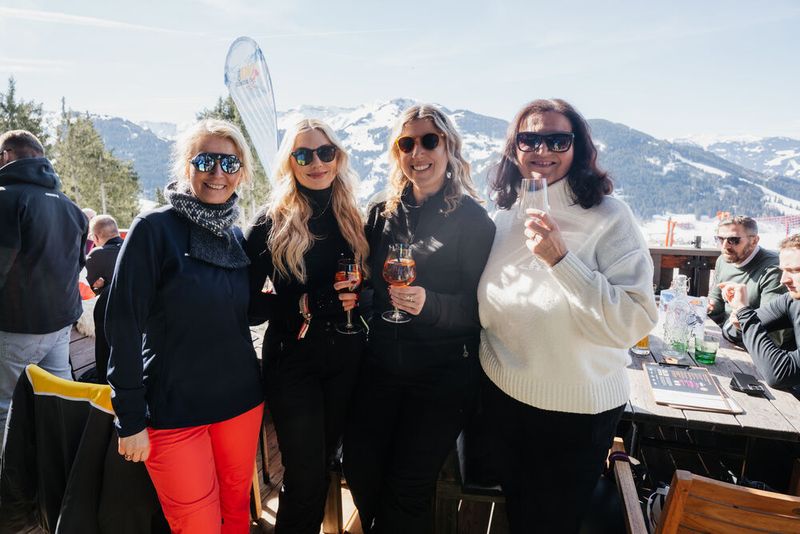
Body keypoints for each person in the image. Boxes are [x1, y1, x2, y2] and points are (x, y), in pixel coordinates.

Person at [477, 99, 658, 533]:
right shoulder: (502, 217)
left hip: (573, 413)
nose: (543, 149)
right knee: (517, 513)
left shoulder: (609, 217)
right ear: (513, 149)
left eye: (557, 139)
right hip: (502, 397)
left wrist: (561, 260)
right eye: (529, 139)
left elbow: (634, 320)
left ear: (578, 148)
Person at [105, 119, 263, 534]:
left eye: (229, 163)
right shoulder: (154, 229)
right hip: (175, 410)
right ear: (186, 167)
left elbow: (240, 311)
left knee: (235, 514)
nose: (218, 173)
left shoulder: (233, 234)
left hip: (241, 403)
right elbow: (122, 323)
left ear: (241, 173)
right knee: (197, 525)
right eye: (206, 160)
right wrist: (131, 418)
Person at [344, 104, 496, 533]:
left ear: (449, 147)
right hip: (382, 368)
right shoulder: (382, 213)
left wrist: (430, 305)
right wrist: (360, 300)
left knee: (407, 486)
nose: (418, 152)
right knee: (359, 465)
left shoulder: (473, 220)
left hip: (442, 376)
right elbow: (369, 284)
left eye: (430, 140)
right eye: (406, 143)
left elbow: (480, 310)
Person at [244, 118, 369, 534]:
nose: (316, 162)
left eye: (325, 152)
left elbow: (372, 287)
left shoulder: (353, 215)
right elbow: (246, 306)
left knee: (327, 467)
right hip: (293, 363)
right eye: (304, 154)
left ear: (337, 157)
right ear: (290, 163)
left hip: (346, 359)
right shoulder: (270, 222)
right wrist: (304, 302)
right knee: (305, 476)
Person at [0, 130, 87, 446]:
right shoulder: (70, 206)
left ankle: (8, 488)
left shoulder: (5, 197)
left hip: (18, 325)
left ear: (6, 156)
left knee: (5, 408)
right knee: (58, 399)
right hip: (61, 321)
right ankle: (62, 472)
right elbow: (78, 265)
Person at [719, 233, 800, 389]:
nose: (784, 280)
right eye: (783, 270)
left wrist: (744, 311)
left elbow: (779, 374)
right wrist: (741, 318)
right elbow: (730, 331)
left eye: (795, 271)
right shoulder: (792, 299)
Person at [707, 215, 792, 348]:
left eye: (733, 240)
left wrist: (736, 325)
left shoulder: (774, 270)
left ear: (754, 241)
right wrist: (708, 306)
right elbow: (716, 300)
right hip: (729, 338)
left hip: (760, 349)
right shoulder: (723, 260)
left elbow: (773, 334)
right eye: (720, 239)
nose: (724, 246)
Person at [85, 214, 123, 383]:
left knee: (104, 349)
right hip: (138, 307)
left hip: (108, 308)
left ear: (96, 237)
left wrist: (99, 285)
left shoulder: (97, 254)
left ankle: (103, 382)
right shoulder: (133, 248)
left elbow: (91, 287)